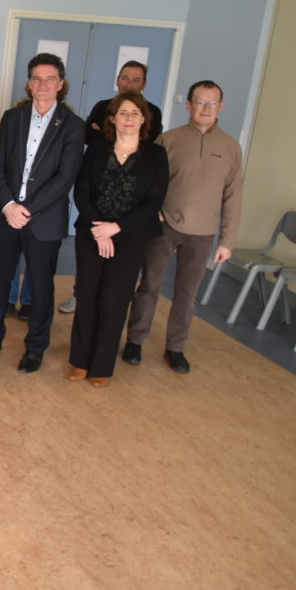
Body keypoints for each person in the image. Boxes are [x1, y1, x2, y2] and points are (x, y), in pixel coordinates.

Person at [0, 53, 86, 374]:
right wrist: (9, 205)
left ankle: (36, 348)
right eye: (37, 78)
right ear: (29, 83)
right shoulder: (13, 118)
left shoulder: (73, 126)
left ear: (60, 84)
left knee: (41, 287)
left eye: (50, 79)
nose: (43, 84)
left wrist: (28, 210)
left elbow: (65, 178)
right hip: (5, 216)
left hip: (44, 221)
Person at [123, 80, 243, 374]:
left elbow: (234, 196)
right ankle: (135, 341)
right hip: (163, 226)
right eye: (200, 102)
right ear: (188, 105)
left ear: (221, 107)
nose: (206, 108)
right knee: (149, 285)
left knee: (187, 294)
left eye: (212, 103)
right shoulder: (168, 140)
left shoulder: (231, 147)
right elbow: (148, 181)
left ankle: (175, 348)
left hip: (202, 233)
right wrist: (153, 213)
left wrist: (227, 241)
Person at [68, 91, 168, 387]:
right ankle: (80, 361)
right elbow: (81, 192)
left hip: (130, 239)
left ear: (144, 119)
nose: (129, 118)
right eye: (123, 112)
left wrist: (116, 228)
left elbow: (153, 202)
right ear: (112, 118)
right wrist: (99, 228)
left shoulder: (156, 155)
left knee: (114, 300)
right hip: (91, 234)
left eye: (135, 113)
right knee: (87, 296)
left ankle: (101, 365)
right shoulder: (97, 149)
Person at [59, 59, 164, 314]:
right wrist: (105, 138)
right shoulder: (102, 107)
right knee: (88, 286)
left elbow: (145, 142)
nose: (129, 83)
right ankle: (79, 296)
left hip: (132, 221)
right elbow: (88, 136)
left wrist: (105, 133)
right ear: (117, 80)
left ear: (144, 84)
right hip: (96, 215)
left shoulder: (154, 113)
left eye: (136, 80)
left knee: (115, 296)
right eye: (125, 78)